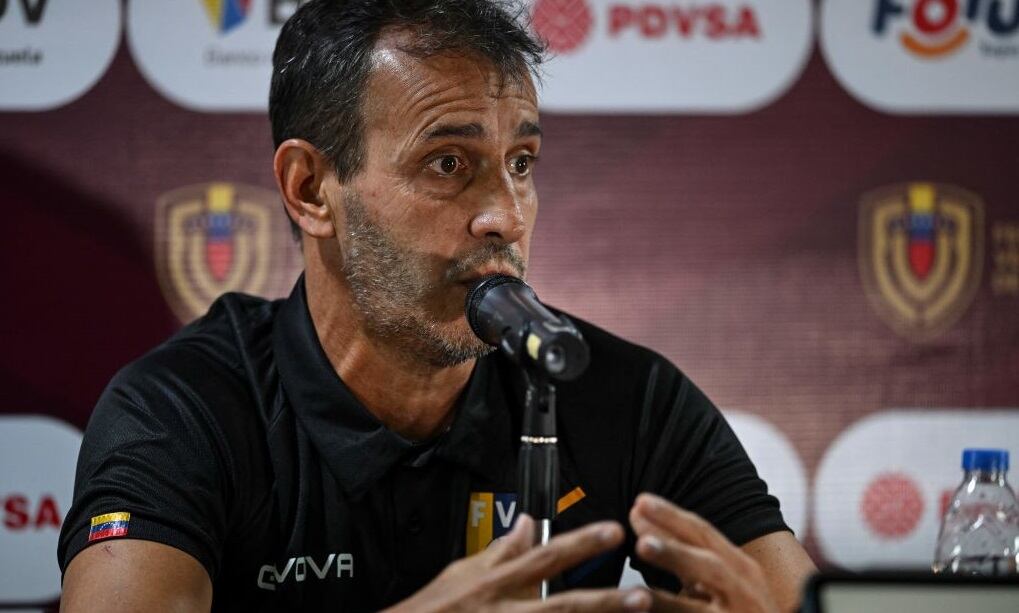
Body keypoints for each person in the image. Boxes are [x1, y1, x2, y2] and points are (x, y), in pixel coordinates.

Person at [58, 1, 816, 611]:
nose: (505, 215)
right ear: (310, 189)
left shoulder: (619, 395)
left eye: (521, 163)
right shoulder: (180, 410)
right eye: (448, 163)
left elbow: (794, 599)